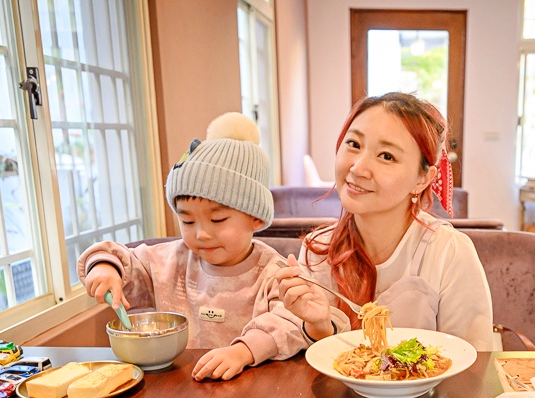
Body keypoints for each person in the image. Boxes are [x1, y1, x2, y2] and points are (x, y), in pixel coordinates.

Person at [78, 112, 310, 381]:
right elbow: (121, 259)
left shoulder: (274, 272)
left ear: (255, 217)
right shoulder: (168, 262)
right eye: (187, 220)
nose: (201, 234)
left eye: (217, 219)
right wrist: (105, 267)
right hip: (179, 393)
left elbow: (291, 322)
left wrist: (244, 351)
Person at [276, 92, 494, 350]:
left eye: (387, 156)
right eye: (354, 144)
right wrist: (318, 326)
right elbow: (323, 365)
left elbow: (473, 361)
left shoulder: (449, 252)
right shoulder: (318, 249)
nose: (357, 168)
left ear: (422, 179)